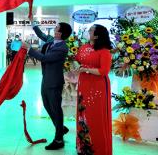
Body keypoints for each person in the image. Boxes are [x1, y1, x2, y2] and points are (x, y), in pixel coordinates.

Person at [22, 18, 72, 150]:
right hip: (46, 79)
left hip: (54, 81)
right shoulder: (52, 41)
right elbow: (41, 35)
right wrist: (33, 22)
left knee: (55, 108)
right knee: (46, 104)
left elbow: (45, 58)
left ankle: (59, 139)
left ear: (60, 33)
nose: (54, 29)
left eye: (56, 28)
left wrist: (29, 49)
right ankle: (61, 128)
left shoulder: (62, 48)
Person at [75, 24, 112, 155]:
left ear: (96, 35)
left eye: (90, 30)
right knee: (83, 113)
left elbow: (104, 70)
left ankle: (98, 149)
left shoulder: (104, 51)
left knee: (96, 115)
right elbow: (78, 60)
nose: (88, 31)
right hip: (83, 83)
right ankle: (83, 147)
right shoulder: (84, 47)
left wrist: (86, 69)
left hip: (98, 86)